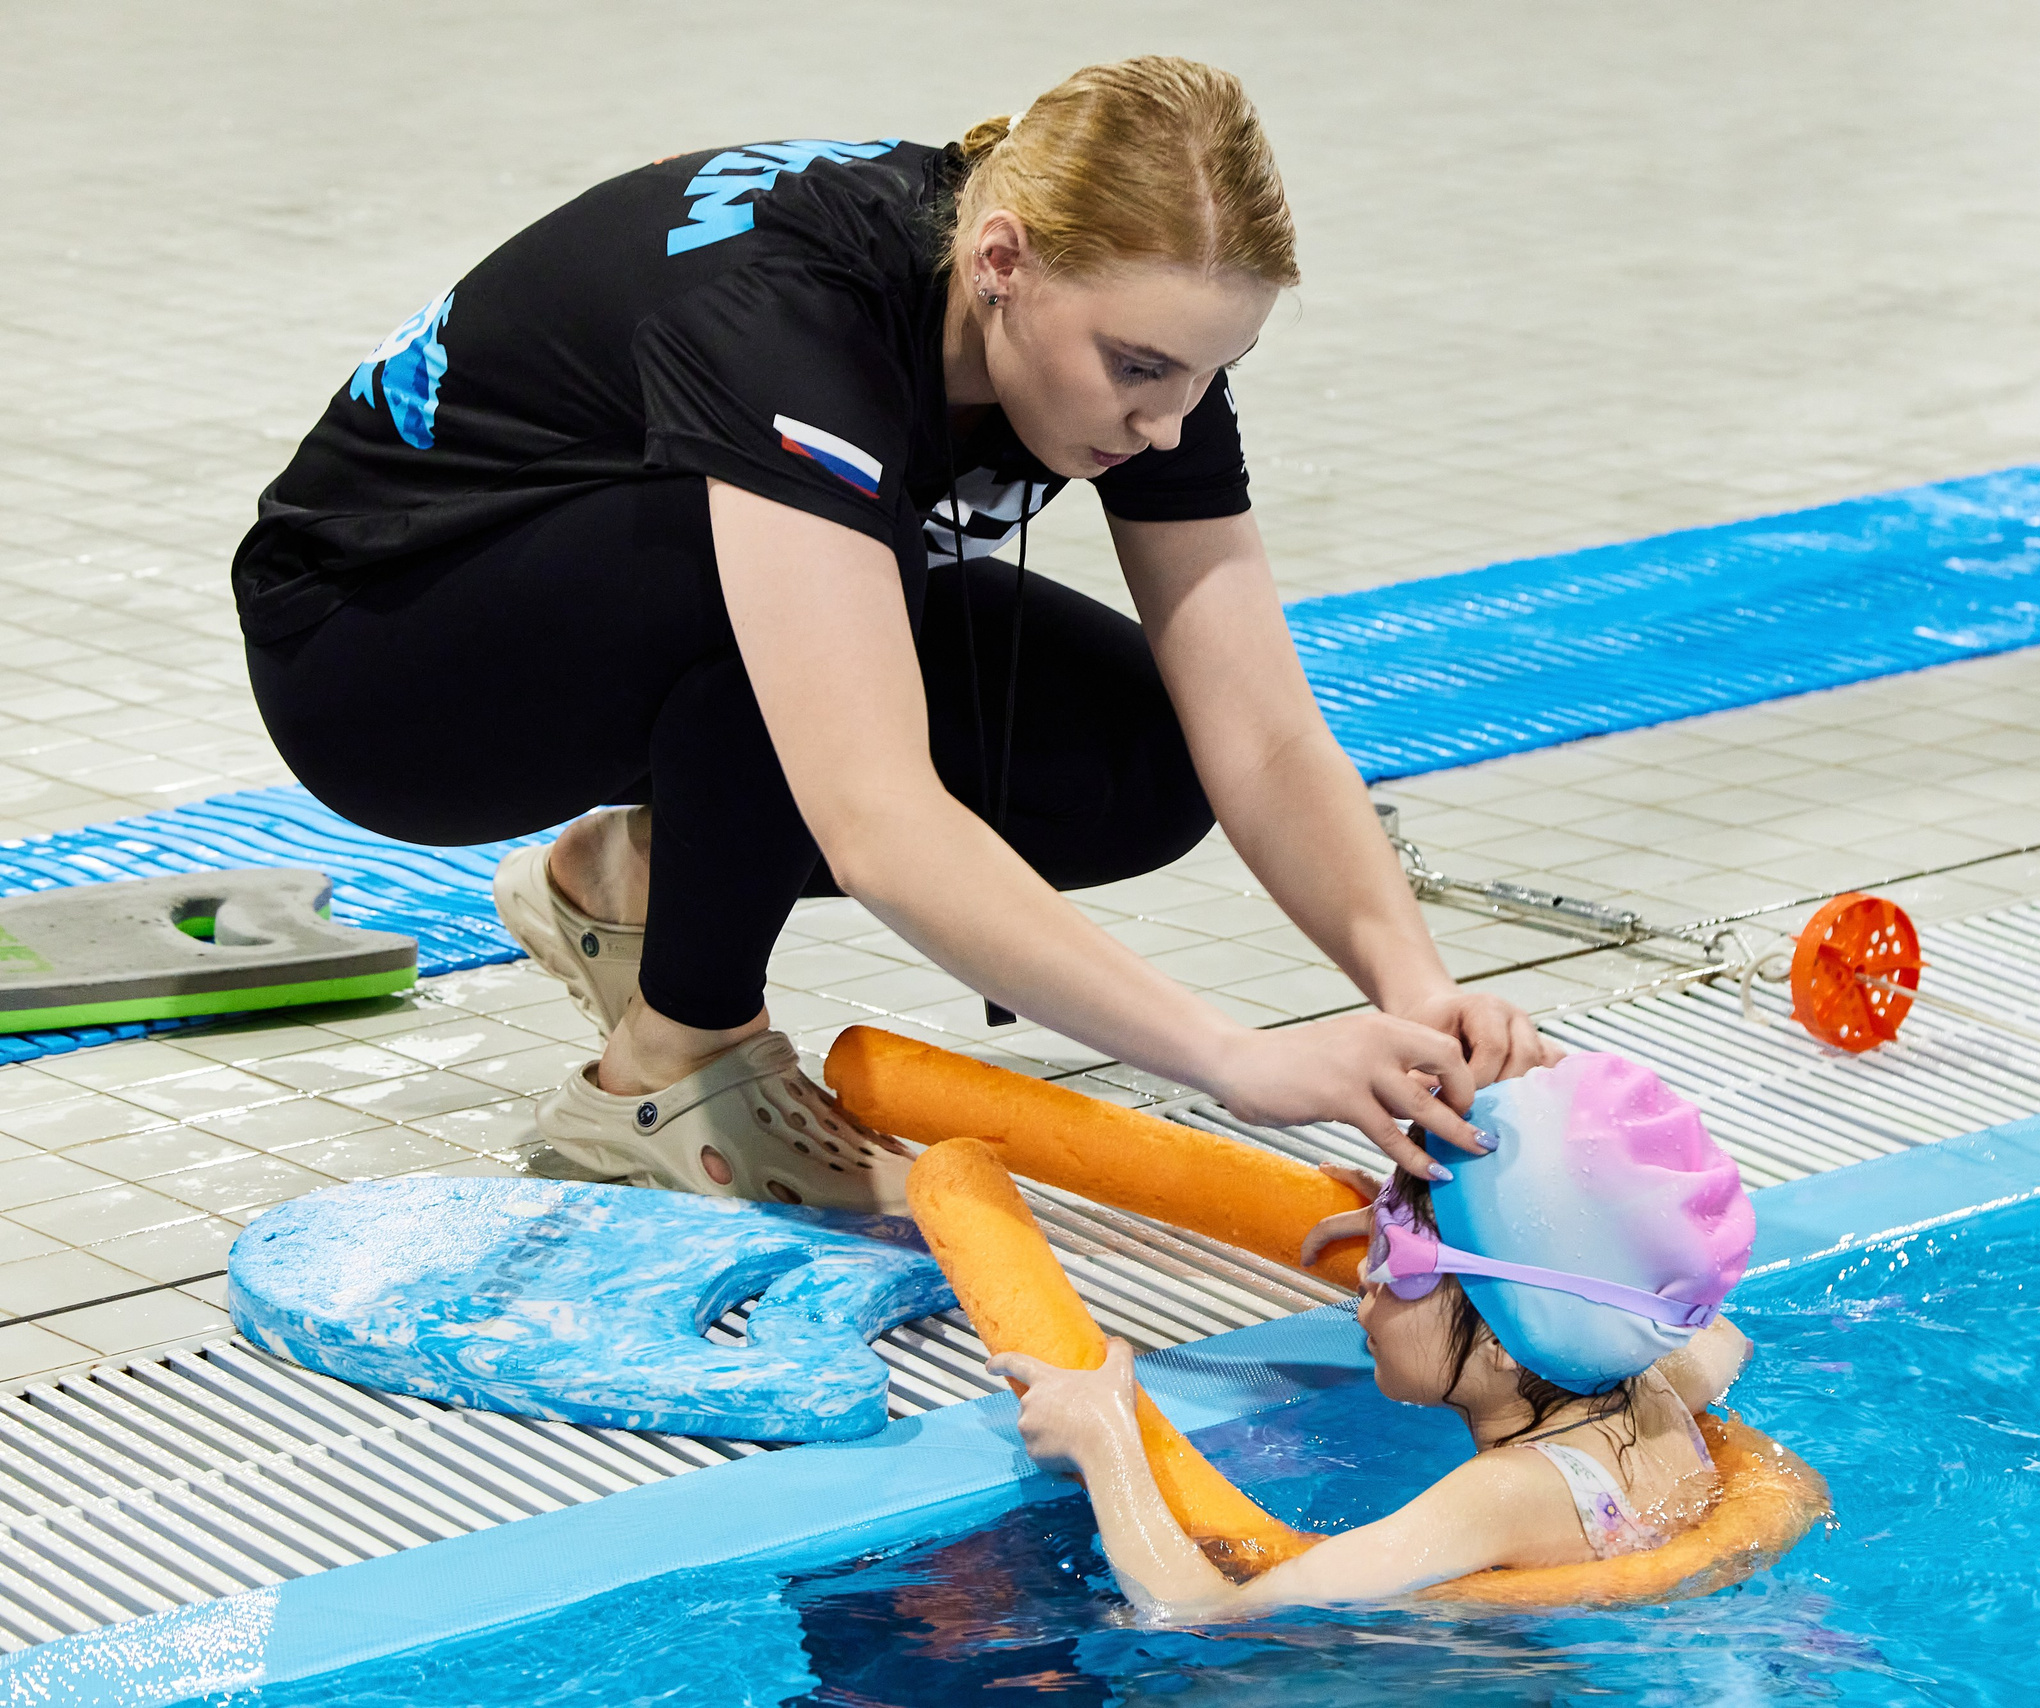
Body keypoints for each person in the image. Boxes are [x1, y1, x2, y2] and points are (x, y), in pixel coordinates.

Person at [231, 57, 1558, 1206]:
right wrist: (1235, 1057)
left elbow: (1259, 736)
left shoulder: (1123, 330)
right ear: (1000, 264)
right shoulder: (793, 327)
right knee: (801, 572)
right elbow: (874, 816)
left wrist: (1409, 984)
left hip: (592, 600)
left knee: (1136, 760)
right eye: (1142, 370)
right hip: (382, 656)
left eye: (1215, 372)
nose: (1167, 423)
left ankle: (632, 883)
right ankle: (665, 1078)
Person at [997, 1052, 1759, 1612]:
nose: (1365, 1277)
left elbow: (1193, 1611)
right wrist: (1426, 1225)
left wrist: (1104, 1440)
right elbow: (1712, 1330)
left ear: (1502, 1340)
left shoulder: (1504, 1494)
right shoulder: (1655, 1373)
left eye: (1400, 1261)